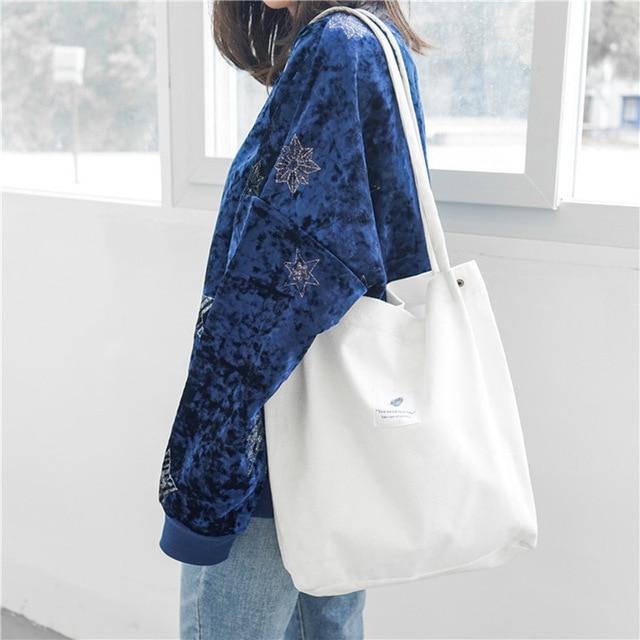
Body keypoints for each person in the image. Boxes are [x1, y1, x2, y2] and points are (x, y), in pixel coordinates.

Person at [158, 1, 432, 637]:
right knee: (329, 622)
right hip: (342, 421)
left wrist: (211, 445)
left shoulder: (336, 43)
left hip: (277, 427)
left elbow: (290, 268)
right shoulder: (376, 40)